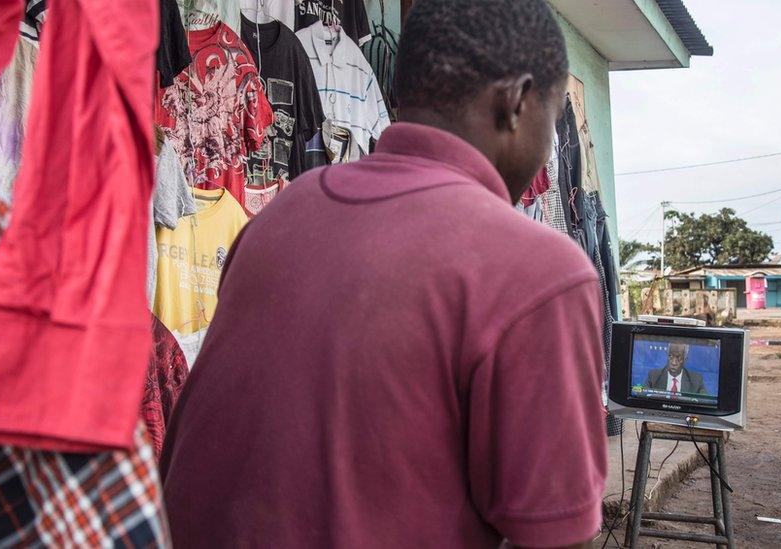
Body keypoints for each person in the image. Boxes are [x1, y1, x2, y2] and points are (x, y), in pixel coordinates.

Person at [160, 0, 608, 547]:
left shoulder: (277, 219)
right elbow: (557, 536)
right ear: (517, 103)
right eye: (552, 116)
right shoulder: (538, 273)